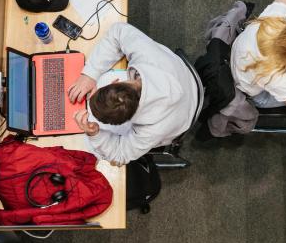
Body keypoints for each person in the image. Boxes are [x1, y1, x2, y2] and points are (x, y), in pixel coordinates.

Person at [67, 23, 201, 166]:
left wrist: (95, 135)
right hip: (184, 77)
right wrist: (90, 74)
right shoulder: (148, 56)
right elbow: (118, 31)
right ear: (115, 82)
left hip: (186, 113)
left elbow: (120, 155)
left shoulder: (151, 131)